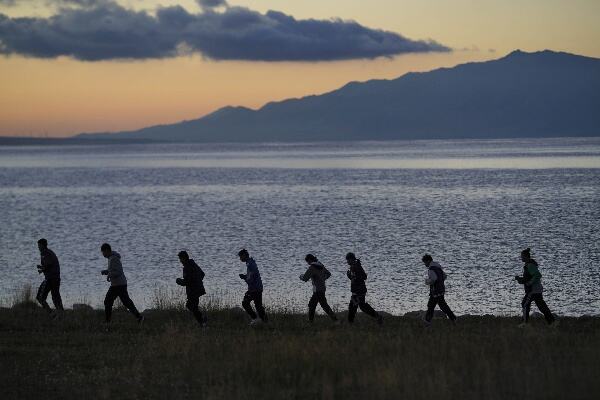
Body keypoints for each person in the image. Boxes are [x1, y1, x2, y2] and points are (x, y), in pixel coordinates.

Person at [100, 243, 144, 327]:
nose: (103, 254)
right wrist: (107, 272)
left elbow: (118, 272)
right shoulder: (111, 258)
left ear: (107, 250)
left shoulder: (114, 258)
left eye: (103, 252)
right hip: (118, 284)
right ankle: (139, 317)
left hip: (119, 285)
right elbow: (113, 270)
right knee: (126, 302)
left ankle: (107, 322)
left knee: (108, 301)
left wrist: (109, 274)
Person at [515, 247, 556, 326]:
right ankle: (552, 322)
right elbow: (528, 277)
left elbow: (538, 275)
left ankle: (524, 323)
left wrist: (530, 283)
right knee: (542, 306)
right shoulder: (529, 264)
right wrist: (520, 279)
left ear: (526, 257)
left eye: (522, 256)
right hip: (537, 289)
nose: (521, 258)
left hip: (533, 290)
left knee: (525, 304)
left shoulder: (530, 265)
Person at [345, 252, 383, 325]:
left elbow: (364, 276)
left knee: (358, 306)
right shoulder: (353, 266)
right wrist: (349, 276)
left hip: (359, 291)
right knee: (355, 306)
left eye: (348, 260)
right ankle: (377, 317)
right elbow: (354, 279)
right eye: (347, 260)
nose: (347, 261)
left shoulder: (357, 266)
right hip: (356, 291)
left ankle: (378, 317)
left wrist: (355, 277)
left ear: (352, 259)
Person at [300, 254, 338, 323]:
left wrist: (301, 276)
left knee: (313, 305)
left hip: (317, 290)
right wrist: (323, 279)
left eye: (307, 262)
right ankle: (334, 319)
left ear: (310, 260)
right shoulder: (320, 265)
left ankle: (310, 321)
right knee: (321, 305)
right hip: (322, 288)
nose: (308, 263)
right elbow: (328, 274)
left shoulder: (312, 267)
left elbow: (305, 278)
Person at [422, 254, 456, 326]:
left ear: (428, 261)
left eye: (425, 262)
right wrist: (440, 282)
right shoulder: (438, 267)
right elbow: (444, 276)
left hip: (435, 291)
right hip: (441, 289)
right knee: (442, 305)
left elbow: (434, 279)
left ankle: (427, 322)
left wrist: (427, 281)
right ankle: (453, 319)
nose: (425, 264)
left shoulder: (431, 269)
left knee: (431, 306)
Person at [176, 251, 207, 327]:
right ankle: (202, 321)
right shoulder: (193, 264)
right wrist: (197, 281)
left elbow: (187, 281)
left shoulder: (187, 267)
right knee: (191, 306)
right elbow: (202, 274)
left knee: (191, 306)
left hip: (193, 291)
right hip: (198, 289)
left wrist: (179, 281)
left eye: (180, 259)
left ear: (183, 258)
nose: (180, 261)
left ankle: (203, 322)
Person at [35, 238, 64, 317]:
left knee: (40, 297)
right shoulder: (49, 252)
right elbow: (50, 265)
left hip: (50, 278)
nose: (38, 248)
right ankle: (61, 314)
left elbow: (49, 264)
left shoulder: (45, 253)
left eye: (39, 246)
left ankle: (51, 314)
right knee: (56, 296)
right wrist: (42, 268)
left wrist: (42, 269)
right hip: (56, 278)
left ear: (43, 245)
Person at [238, 249, 267, 325]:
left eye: (240, 256)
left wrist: (244, 277)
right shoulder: (250, 262)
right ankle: (264, 321)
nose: (240, 258)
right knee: (258, 305)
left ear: (244, 255)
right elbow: (251, 275)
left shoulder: (250, 264)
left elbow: (251, 277)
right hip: (257, 288)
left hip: (255, 288)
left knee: (245, 303)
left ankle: (255, 318)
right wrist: (245, 276)